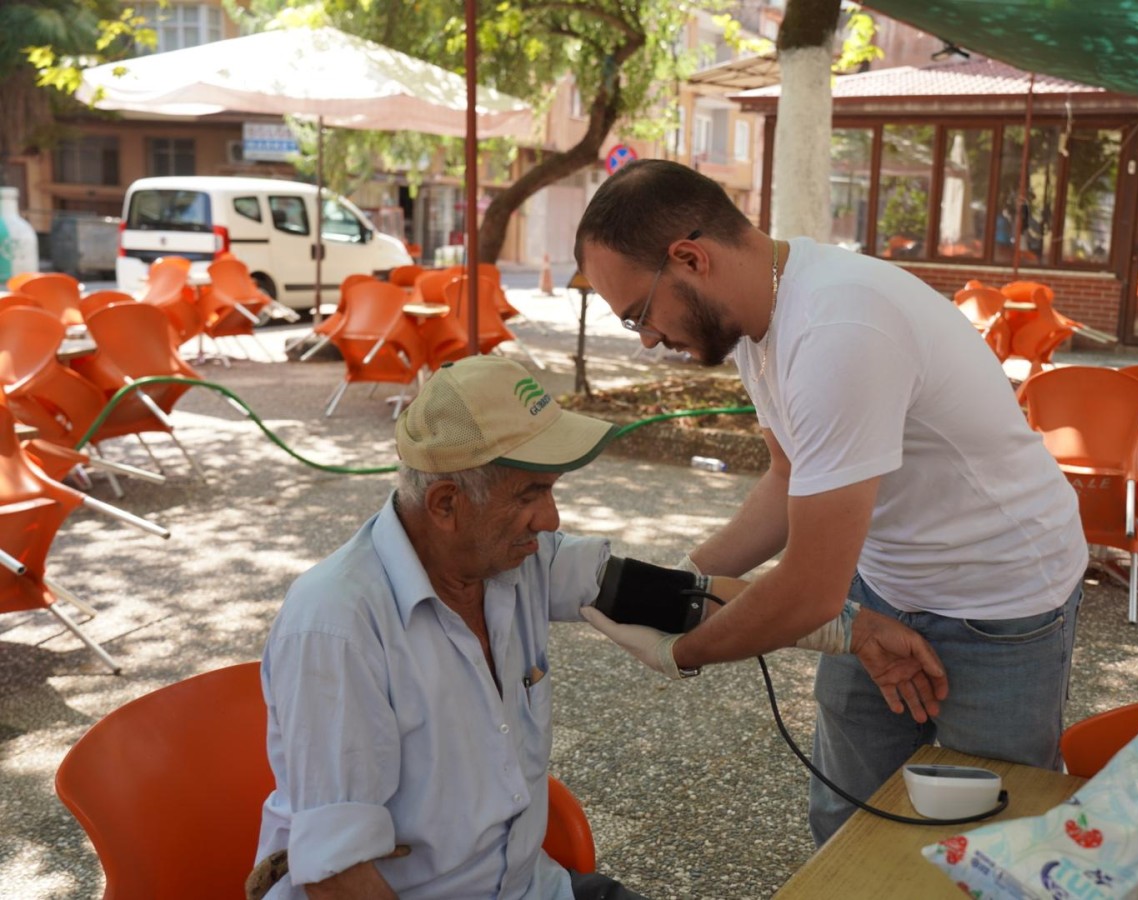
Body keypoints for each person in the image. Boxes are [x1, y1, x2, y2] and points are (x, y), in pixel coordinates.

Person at [253, 355, 946, 898]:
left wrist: (847, 631)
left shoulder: (513, 561)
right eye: (531, 495)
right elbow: (337, 874)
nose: (551, 520)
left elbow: (674, 596)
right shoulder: (337, 628)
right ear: (442, 504)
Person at [574, 159, 1088, 845]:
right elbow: (788, 480)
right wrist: (682, 579)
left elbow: (810, 594)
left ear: (690, 259)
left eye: (638, 313)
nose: (645, 339)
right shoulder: (762, 319)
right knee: (847, 820)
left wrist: (685, 648)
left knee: (985, 840)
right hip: (881, 583)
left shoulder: (839, 328)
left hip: (1000, 604)